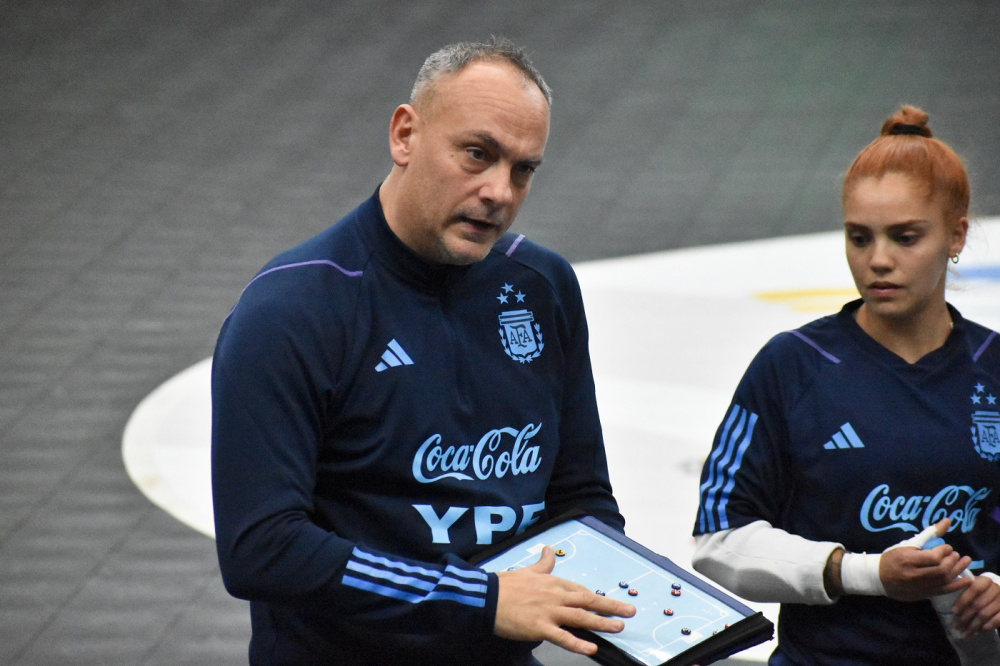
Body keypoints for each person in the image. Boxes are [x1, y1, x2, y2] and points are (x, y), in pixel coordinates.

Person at [210, 37, 634, 665]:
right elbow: (263, 548)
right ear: (405, 135)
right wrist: (481, 600)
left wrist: (652, 609)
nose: (500, 191)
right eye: (477, 154)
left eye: (523, 170)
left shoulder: (542, 287)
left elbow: (581, 497)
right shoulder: (291, 311)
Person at [691, 105, 1000, 665]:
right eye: (859, 238)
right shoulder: (793, 365)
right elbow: (718, 541)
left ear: (957, 235)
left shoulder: (994, 365)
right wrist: (866, 573)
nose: (878, 261)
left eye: (905, 237)